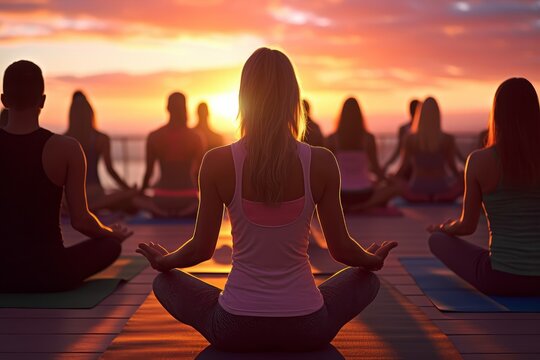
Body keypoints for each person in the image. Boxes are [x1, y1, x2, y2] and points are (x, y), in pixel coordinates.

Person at [137, 48, 397, 352]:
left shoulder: (217, 162)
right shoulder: (321, 162)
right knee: (367, 280)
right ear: (293, 98)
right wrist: (371, 259)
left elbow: (201, 248)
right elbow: (341, 249)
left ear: (244, 97)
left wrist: (165, 261)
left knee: (164, 282)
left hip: (234, 327)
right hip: (308, 327)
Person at [0, 60, 132, 292]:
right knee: (111, 246)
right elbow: (81, 220)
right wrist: (112, 234)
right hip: (50, 273)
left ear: (4, 100)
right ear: (42, 101)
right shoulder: (66, 148)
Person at [428, 77, 540, 296]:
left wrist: (444, 228)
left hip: (499, 278)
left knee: (436, 240)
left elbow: (467, 226)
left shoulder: (479, 161)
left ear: (496, 114)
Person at [64, 90, 136, 213]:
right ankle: (90, 208)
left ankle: (80, 209)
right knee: (127, 197)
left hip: (71, 196)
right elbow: (110, 170)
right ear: (90, 112)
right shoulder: (101, 138)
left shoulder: (63, 139)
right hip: (95, 193)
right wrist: (128, 189)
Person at [134, 92, 204, 217]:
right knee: (202, 203)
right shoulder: (196, 137)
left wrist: (140, 192)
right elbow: (199, 173)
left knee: (134, 200)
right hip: (188, 198)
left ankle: (160, 211)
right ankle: (184, 212)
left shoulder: (154, 136)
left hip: (162, 197)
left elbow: (148, 173)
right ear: (185, 108)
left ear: (167, 108)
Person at [326, 97, 400, 212]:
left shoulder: (331, 139)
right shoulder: (368, 139)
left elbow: (328, 171)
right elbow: (376, 170)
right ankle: (363, 206)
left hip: (341, 194)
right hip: (364, 193)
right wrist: (388, 180)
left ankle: (347, 207)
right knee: (395, 188)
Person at [396, 97, 463, 202]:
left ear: (420, 115)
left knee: (396, 184)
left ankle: (422, 198)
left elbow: (403, 168)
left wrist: (390, 180)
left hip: (417, 187)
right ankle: (439, 197)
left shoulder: (410, 139)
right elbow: (452, 167)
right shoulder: (447, 139)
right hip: (441, 187)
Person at [383, 99, 420, 174]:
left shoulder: (404, 129)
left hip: (412, 167)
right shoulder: (404, 129)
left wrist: (387, 164)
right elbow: (399, 150)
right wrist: (387, 164)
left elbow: (398, 150)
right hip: (411, 167)